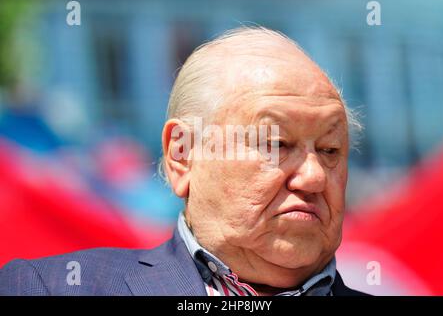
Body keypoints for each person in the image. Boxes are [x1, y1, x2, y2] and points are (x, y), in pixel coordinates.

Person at [0, 26, 367, 296]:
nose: (314, 177)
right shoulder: (46, 288)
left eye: (330, 150)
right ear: (183, 154)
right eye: (276, 144)